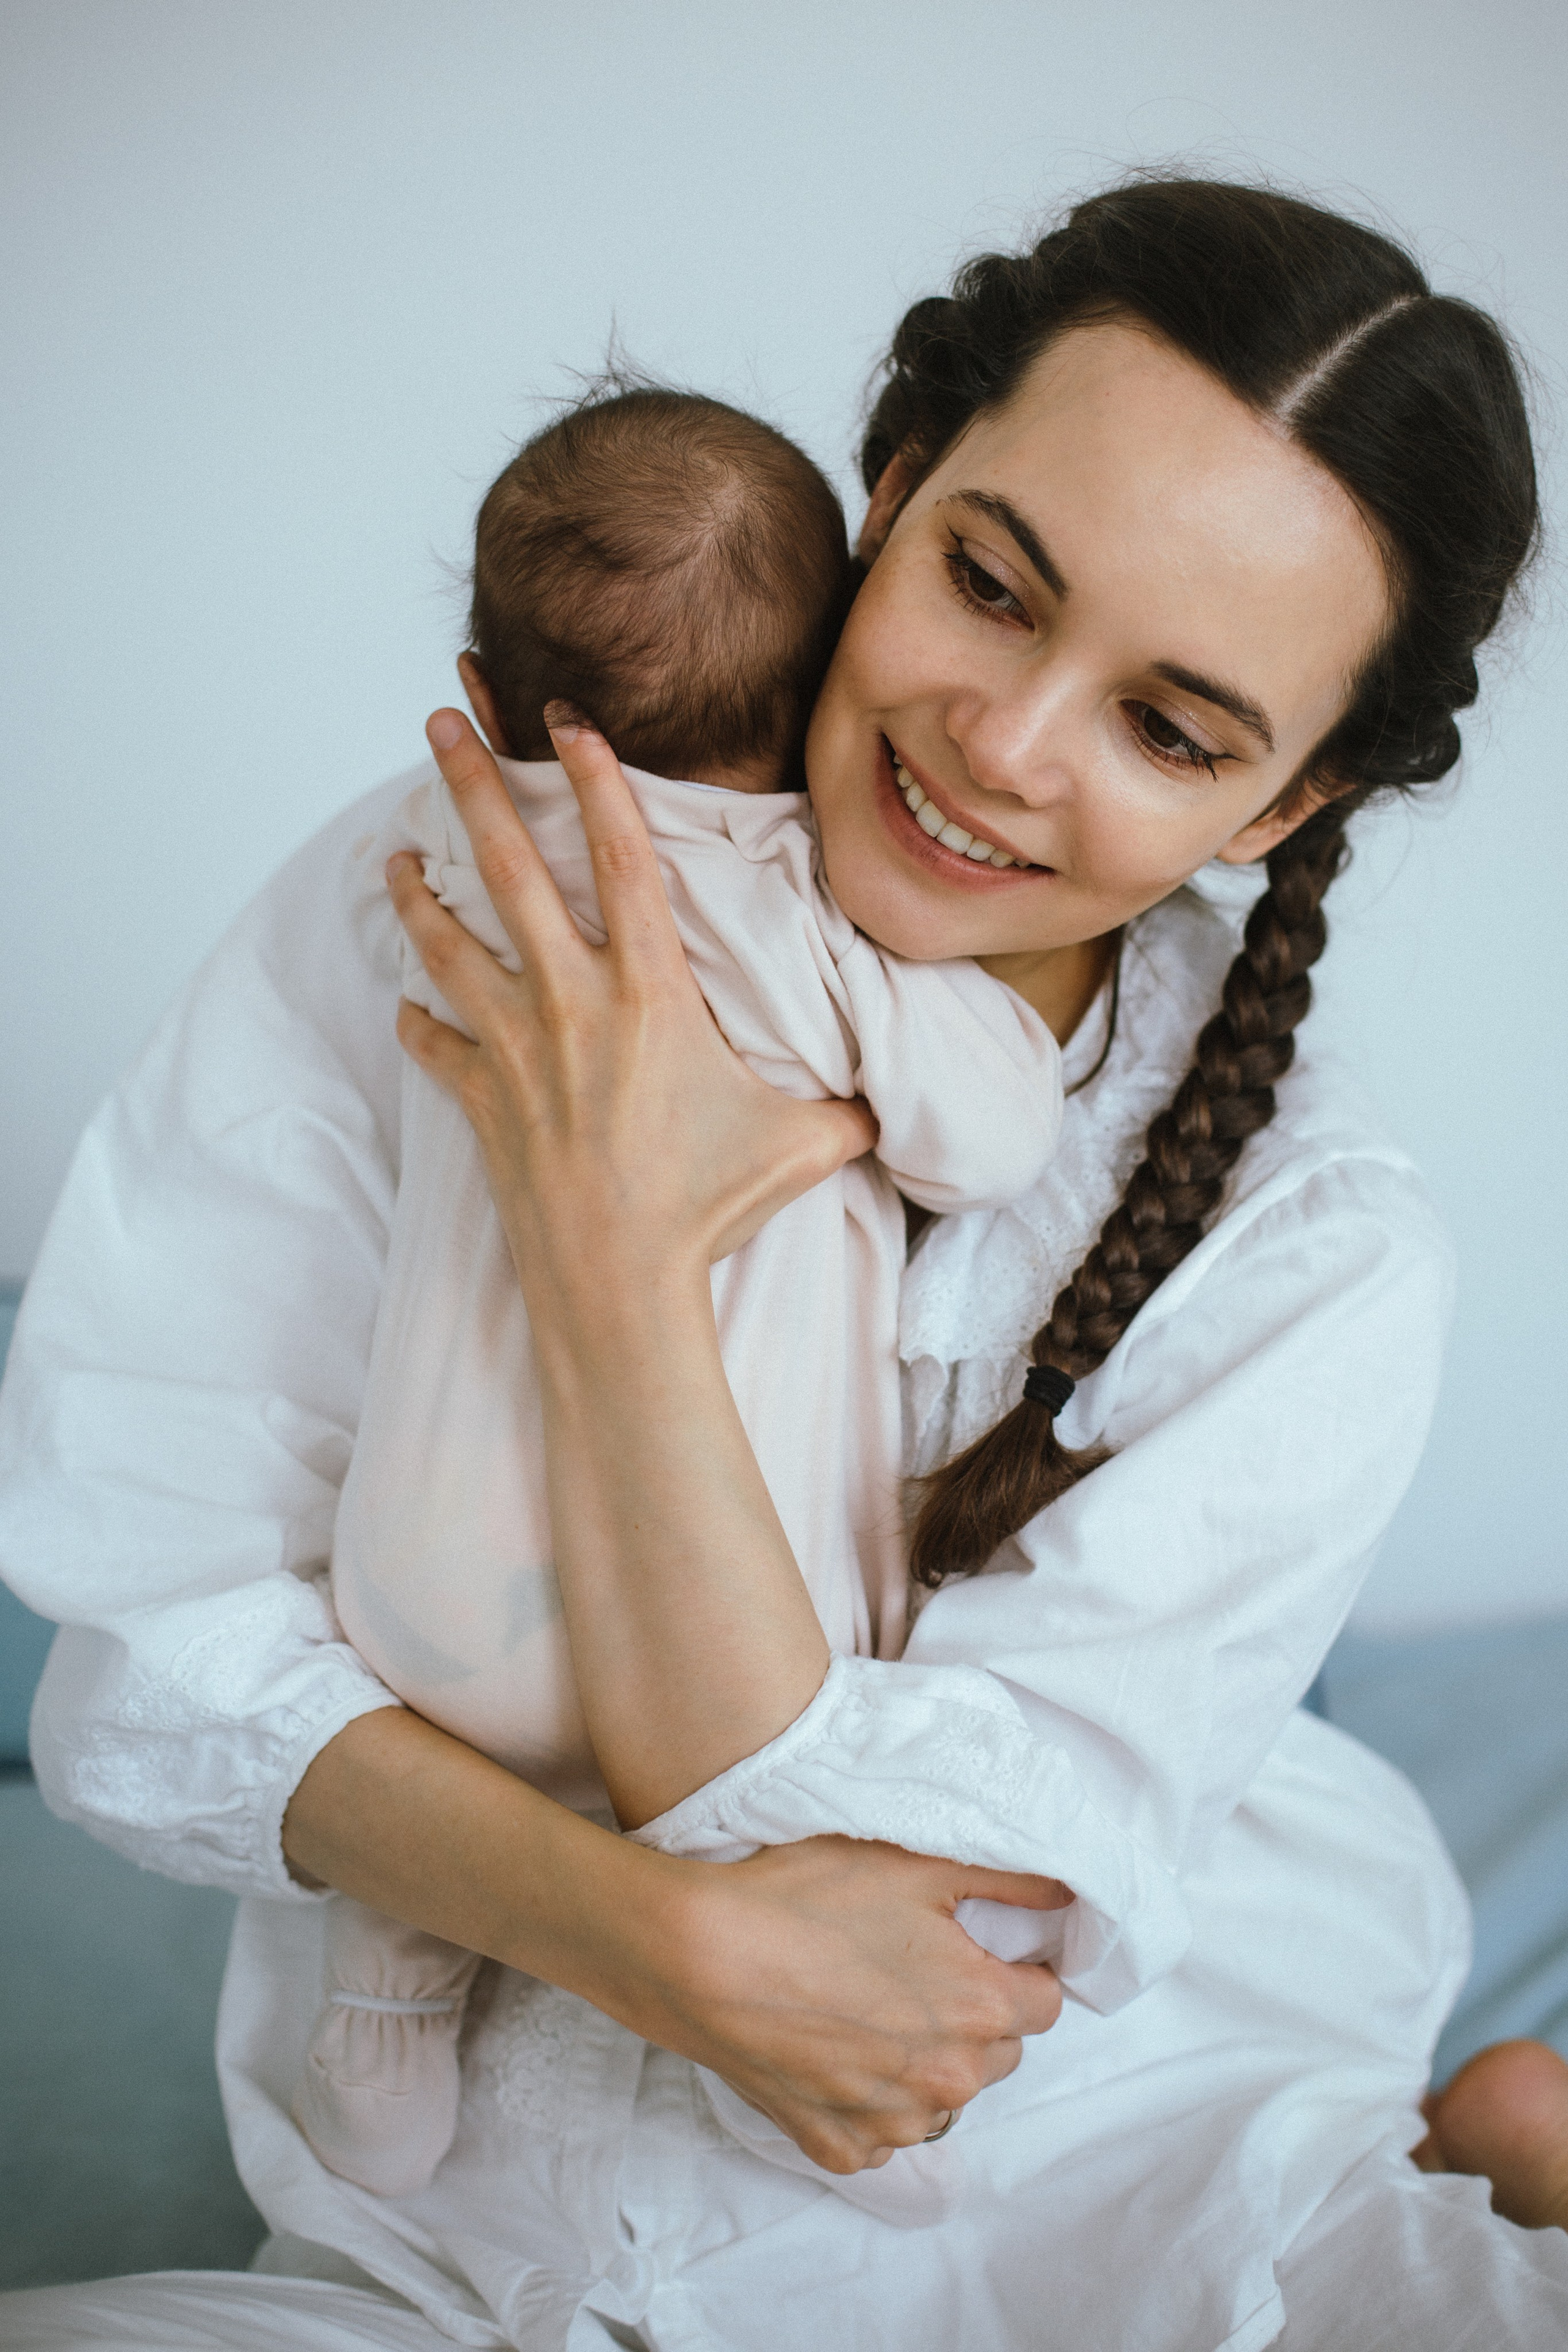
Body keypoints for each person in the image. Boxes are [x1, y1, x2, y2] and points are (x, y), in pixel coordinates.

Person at [3, 176, 1567, 2350]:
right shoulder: (443, 901)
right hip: (453, 2272)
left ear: (1278, 810)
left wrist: (617, 1261)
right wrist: (643, 1939)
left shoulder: (1319, 1242)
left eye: (1173, 729)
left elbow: (912, 1963)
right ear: (890, 489)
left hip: (1131, 2219)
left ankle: (1493, 2160)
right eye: (990, 585)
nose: (1004, 748)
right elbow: (136, 1664)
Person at [300, 385, 1063, 2200]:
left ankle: (388, 2004)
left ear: (482, 699)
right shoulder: (799, 911)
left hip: (412, 1609)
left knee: (437, 1805)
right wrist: (864, 1107)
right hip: (716, 1614)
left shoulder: (435, 871)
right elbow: (996, 1137)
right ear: (818, 691)